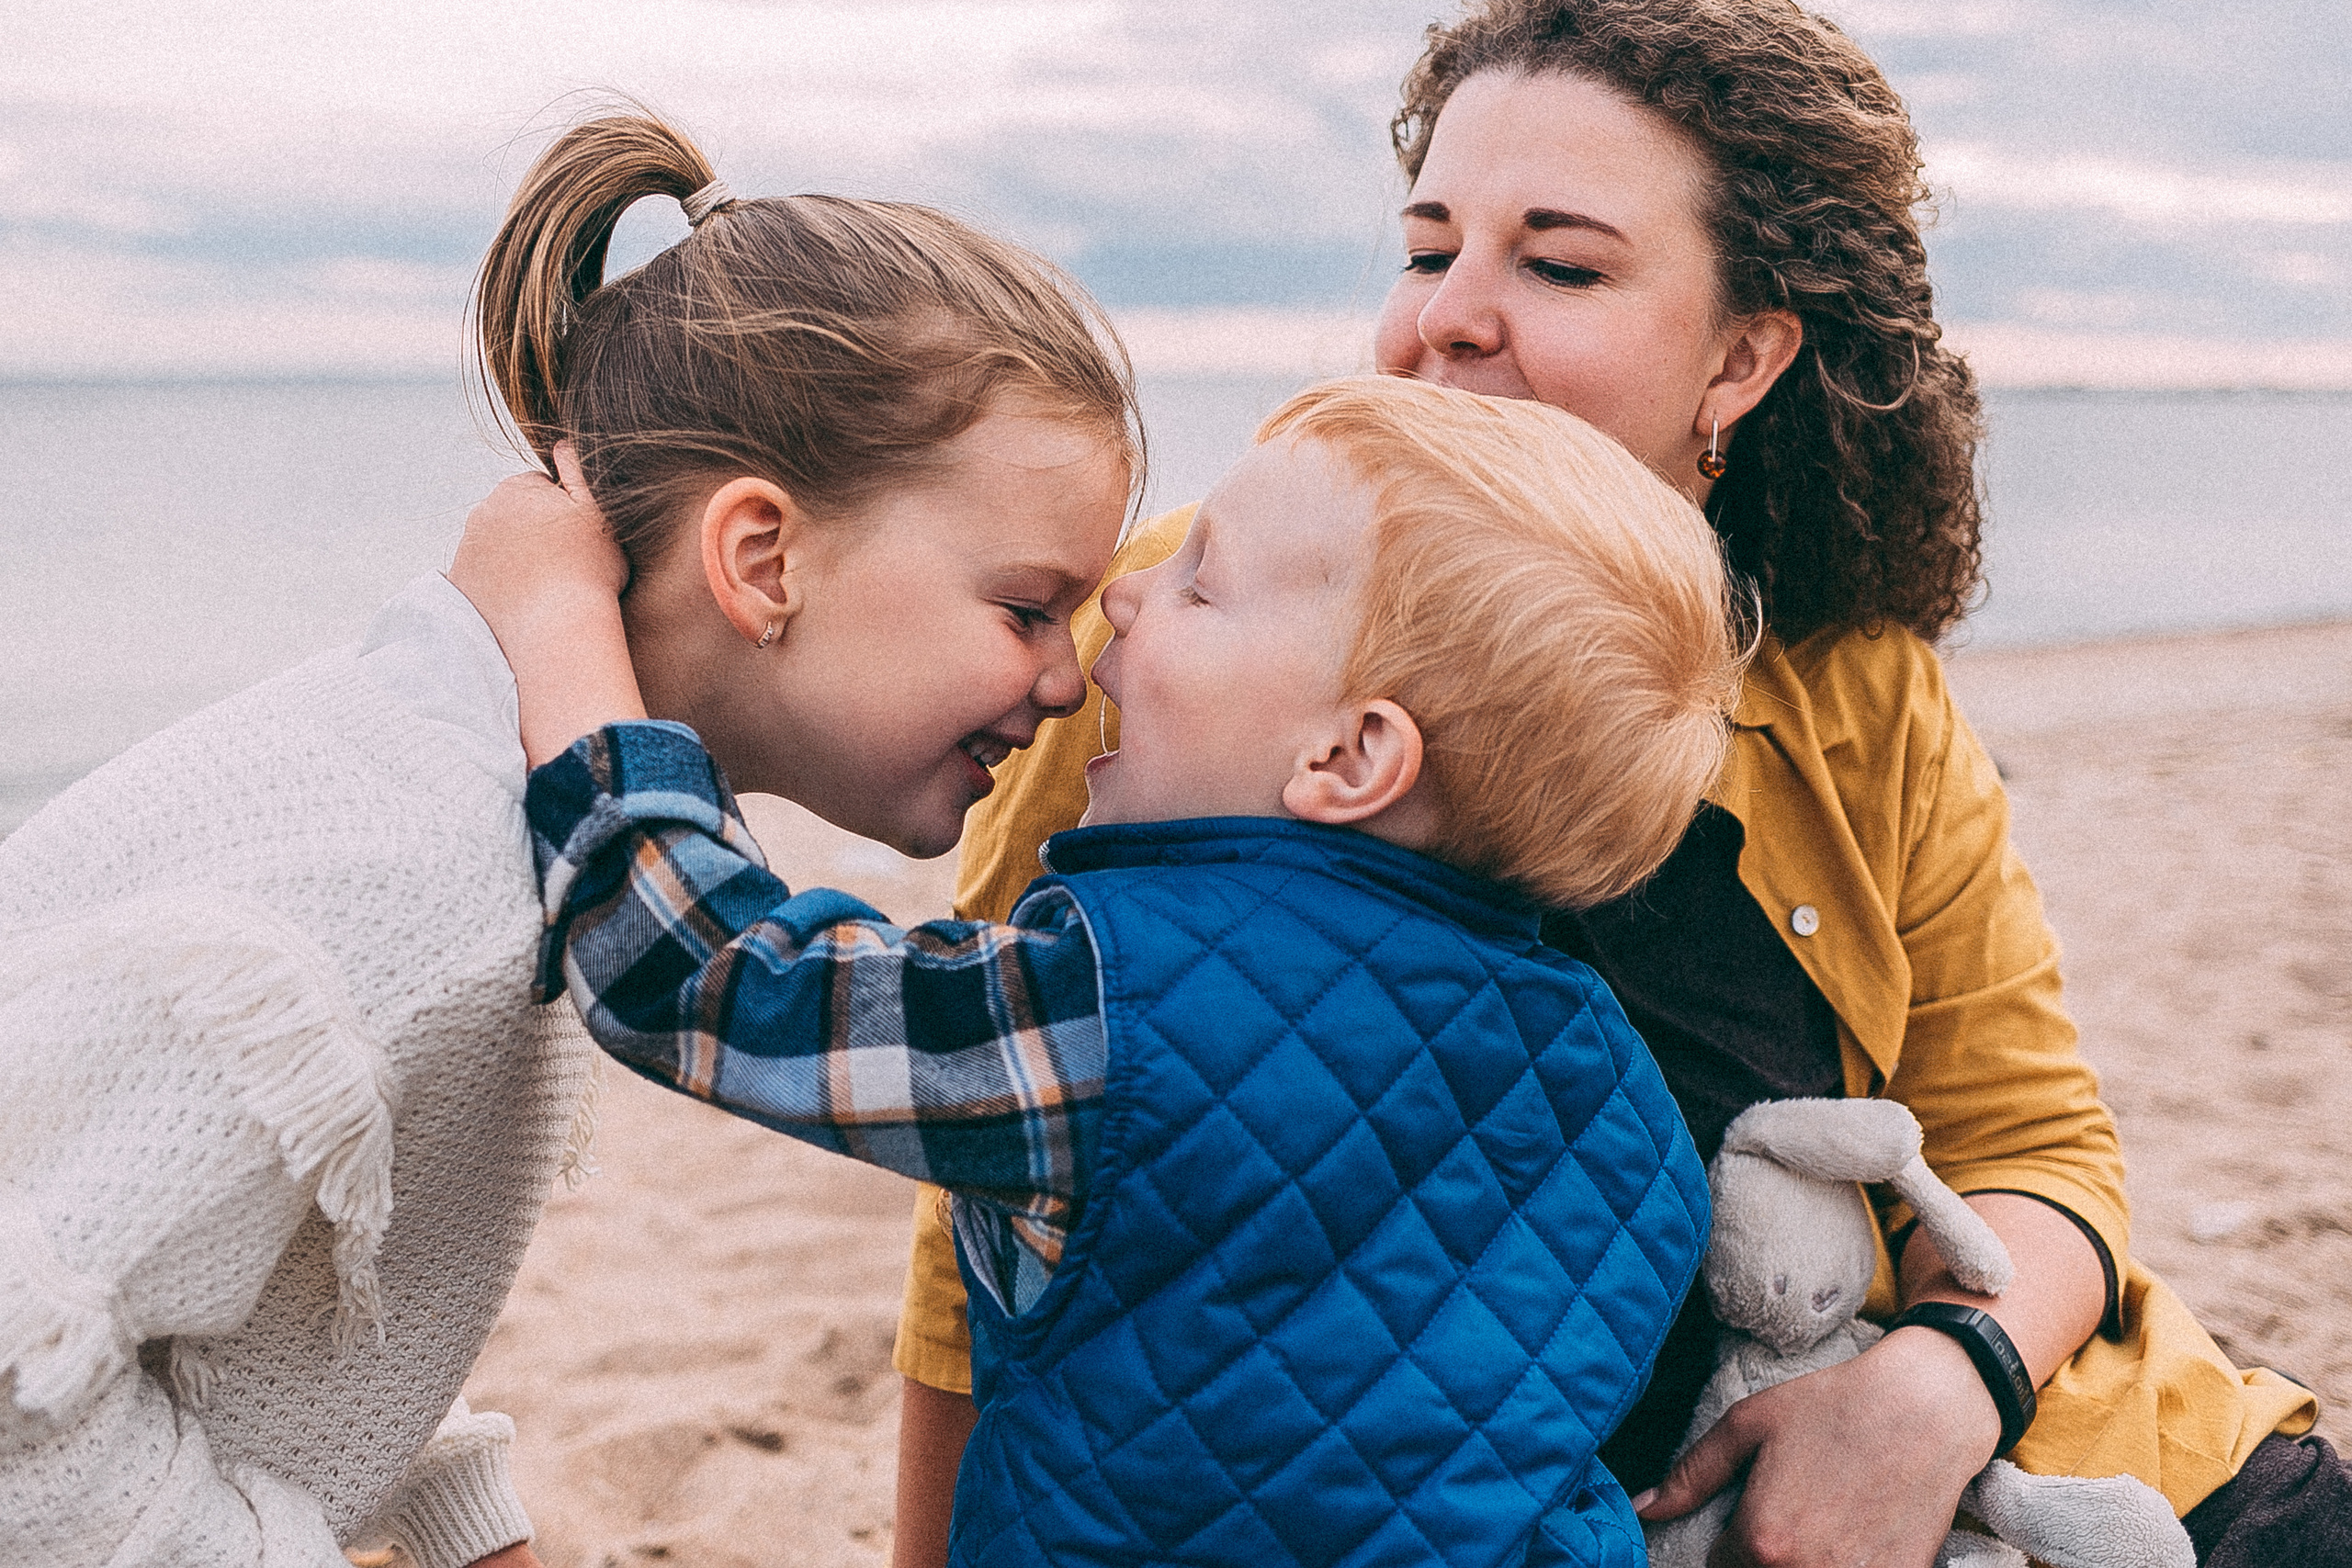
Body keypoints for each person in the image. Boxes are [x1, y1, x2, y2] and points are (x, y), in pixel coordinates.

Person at [890, 4, 2340, 1566]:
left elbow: (2029, 1143)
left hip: (2064, 1471)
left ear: (1742, 357)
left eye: (1556, 264)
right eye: (1428, 247)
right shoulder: (1192, 631)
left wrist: (1938, 1390)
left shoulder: (1852, 676)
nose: (1450, 316)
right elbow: (996, 1188)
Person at [0, 107, 1137, 1568]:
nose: (1071, 678)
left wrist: (464, 1526)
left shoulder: (493, 796)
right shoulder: (414, 888)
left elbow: (293, 1284)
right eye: (1030, 607)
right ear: (763, 559)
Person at [454, 373, 1747, 1565]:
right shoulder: (1642, 1128)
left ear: (1352, 758)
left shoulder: (1111, 1013)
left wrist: (565, 629)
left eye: (1199, 583)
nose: (1119, 596)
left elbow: (706, 979)